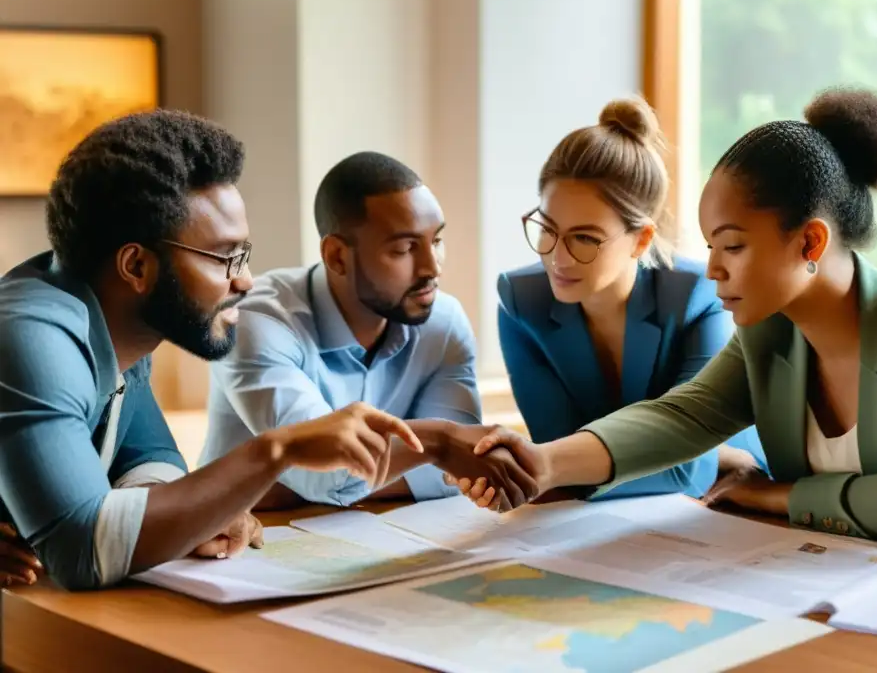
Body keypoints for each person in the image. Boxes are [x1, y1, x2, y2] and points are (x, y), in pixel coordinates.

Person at [459, 87, 877, 560]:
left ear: (810, 240)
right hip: (850, 584)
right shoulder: (770, 334)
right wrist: (544, 462)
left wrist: (777, 495)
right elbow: (680, 416)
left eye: (732, 245)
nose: (712, 269)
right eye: (709, 245)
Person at [0, 113, 530, 591]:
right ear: (136, 267)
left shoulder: (117, 324)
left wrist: (191, 513)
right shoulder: (34, 336)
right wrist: (276, 450)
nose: (245, 281)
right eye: (225, 257)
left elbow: (147, 459)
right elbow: (81, 551)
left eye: (244, 254)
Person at [495, 97, 767, 499]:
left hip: (736, 496)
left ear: (640, 240)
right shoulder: (522, 304)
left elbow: (686, 468)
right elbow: (553, 449)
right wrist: (555, 468)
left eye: (585, 238)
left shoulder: (697, 298)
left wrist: (561, 468)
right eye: (547, 228)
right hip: (624, 511)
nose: (557, 256)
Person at [200, 151, 503, 510]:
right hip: (242, 543)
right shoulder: (255, 322)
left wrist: (283, 487)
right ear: (337, 256)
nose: (432, 267)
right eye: (405, 249)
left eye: (436, 241)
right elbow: (326, 475)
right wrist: (438, 445)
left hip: (375, 538)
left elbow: (460, 470)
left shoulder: (443, 322)